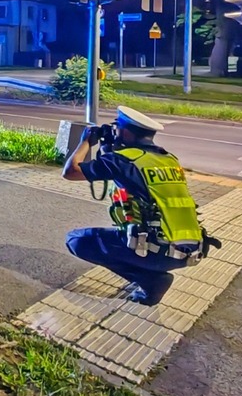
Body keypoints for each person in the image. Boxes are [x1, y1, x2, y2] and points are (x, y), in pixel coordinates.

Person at [61, 106, 216, 306]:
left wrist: (86, 141)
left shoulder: (123, 160)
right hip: (189, 251)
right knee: (130, 235)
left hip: (154, 251)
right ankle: (151, 271)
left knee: (76, 240)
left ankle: (151, 279)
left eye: (116, 127)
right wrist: (109, 148)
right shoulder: (169, 160)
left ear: (125, 133)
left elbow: (70, 172)